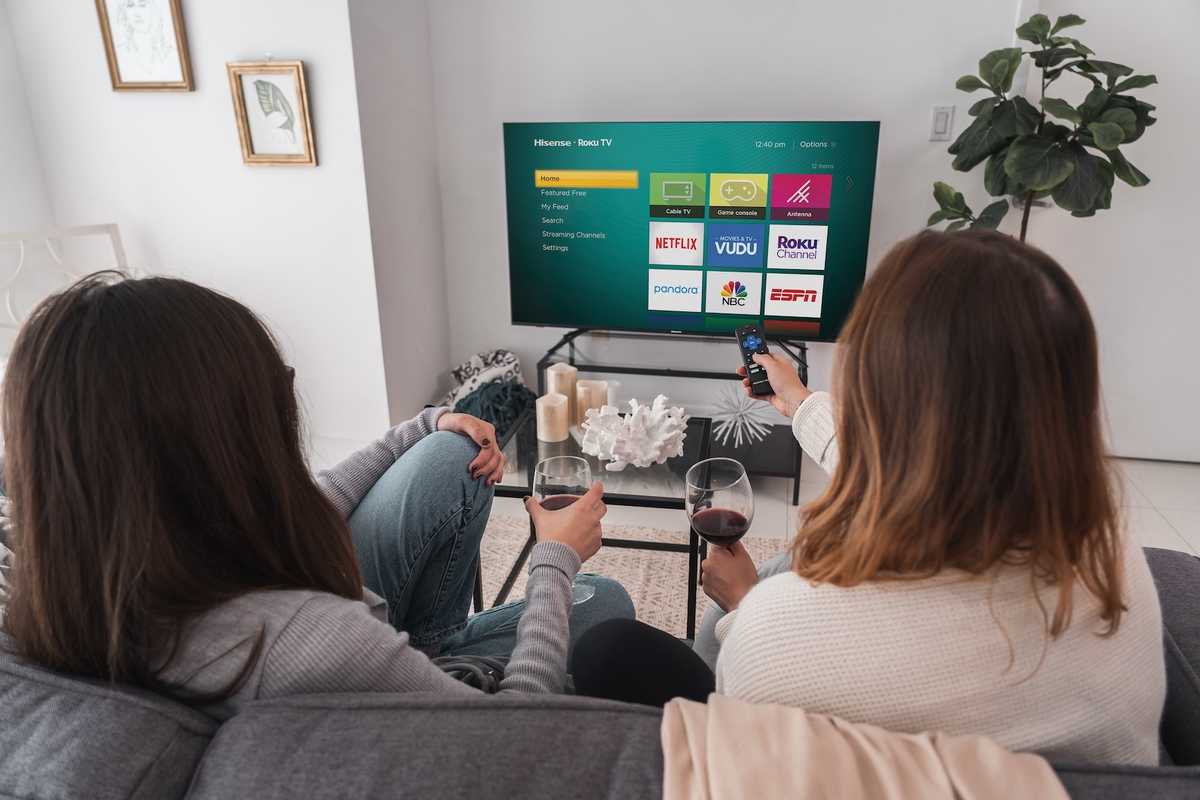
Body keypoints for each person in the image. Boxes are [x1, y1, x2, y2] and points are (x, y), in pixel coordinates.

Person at [572, 229, 1165, 766]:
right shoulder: (1118, 567)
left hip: (763, 720)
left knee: (608, 649)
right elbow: (923, 458)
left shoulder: (779, 632)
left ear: (875, 392)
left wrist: (744, 604)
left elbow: (745, 746)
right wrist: (798, 401)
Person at [0, 273, 633, 719]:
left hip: (345, 633)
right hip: (403, 681)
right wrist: (553, 559)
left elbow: (317, 500)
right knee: (605, 604)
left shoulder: (96, 570)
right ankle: (439, 660)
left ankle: (438, 641)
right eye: (273, 389)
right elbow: (514, 733)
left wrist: (423, 425)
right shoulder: (308, 641)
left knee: (448, 452)